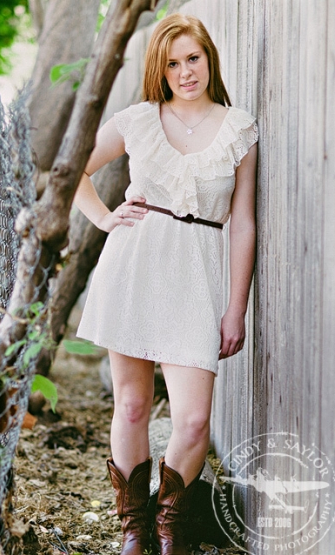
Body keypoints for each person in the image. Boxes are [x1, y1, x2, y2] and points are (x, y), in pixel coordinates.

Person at [74, 14, 257, 555]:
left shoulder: (239, 128)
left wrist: (236, 308)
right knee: (131, 406)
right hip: (135, 265)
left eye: (193, 59)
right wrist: (104, 218)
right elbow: (72, 171)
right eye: (173, 63)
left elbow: (243, 222)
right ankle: (136, 527)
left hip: (198, 278)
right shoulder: (139, 119)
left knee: (194, 419)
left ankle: (170, 523)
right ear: (160, 68)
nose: (185, 72)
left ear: (209, 59)